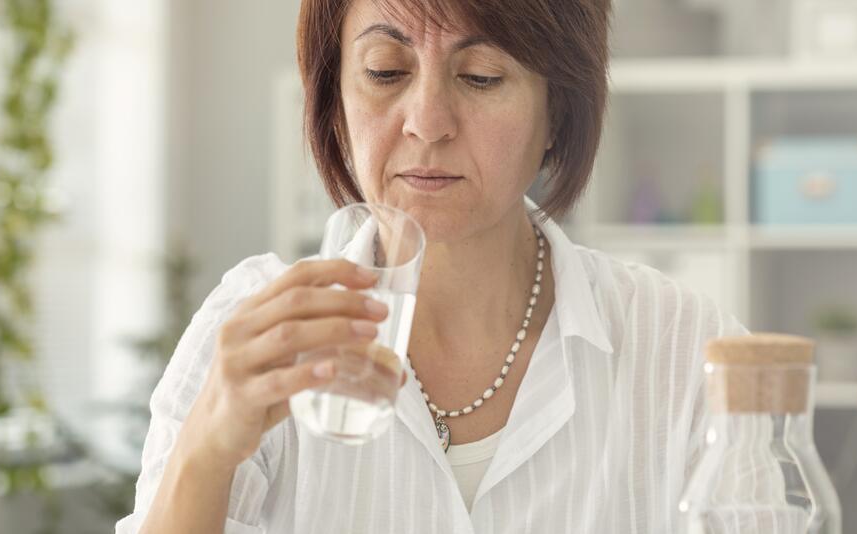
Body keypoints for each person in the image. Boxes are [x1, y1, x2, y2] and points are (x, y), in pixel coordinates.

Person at [116, 0, 747, 532]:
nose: (427, 123)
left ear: (558, 111)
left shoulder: (690, 353)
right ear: (335, 100)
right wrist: (206, 452)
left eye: (480, 76)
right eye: (385, 71)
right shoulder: (250, 330)